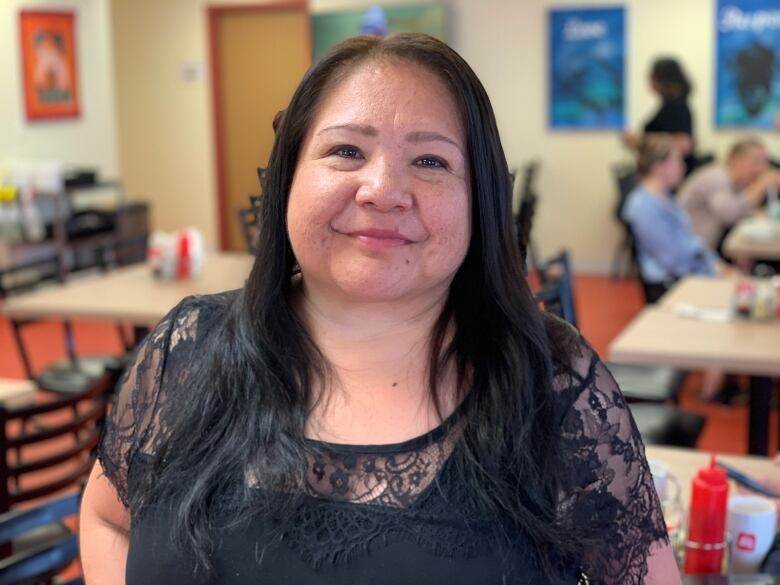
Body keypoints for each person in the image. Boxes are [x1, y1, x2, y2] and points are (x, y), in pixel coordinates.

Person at [80, 34, 680, 584]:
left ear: (482, 200)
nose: (383, 189)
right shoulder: (189, 346)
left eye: (430, 161)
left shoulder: (552, 381)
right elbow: (108, 519)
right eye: (345, 150)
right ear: (287, 178)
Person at [622, 134, 726, 303]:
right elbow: (673, 259)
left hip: (689, 275)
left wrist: (714, 264)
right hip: (672, 285)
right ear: (658, 167)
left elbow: (687, 241)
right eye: (677, 161)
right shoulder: (643, 206)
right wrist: (713, 270)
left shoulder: (666, 198)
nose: (683, 167)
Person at [678, 138, 780, 252]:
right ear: (735, 159)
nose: (762, 168)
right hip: (696, 253)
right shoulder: (716, 178)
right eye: (756, 161)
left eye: (765, 162)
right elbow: (729, 215)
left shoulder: (736, 183)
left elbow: (744, 211)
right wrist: (761, 184)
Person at [623, 58, 696, 174]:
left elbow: (684, 144)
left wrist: (640, 141)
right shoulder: (670, 105)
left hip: (670, 175)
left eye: (652, 76)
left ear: (662, 79)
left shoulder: (676, 106)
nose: (649, 81)